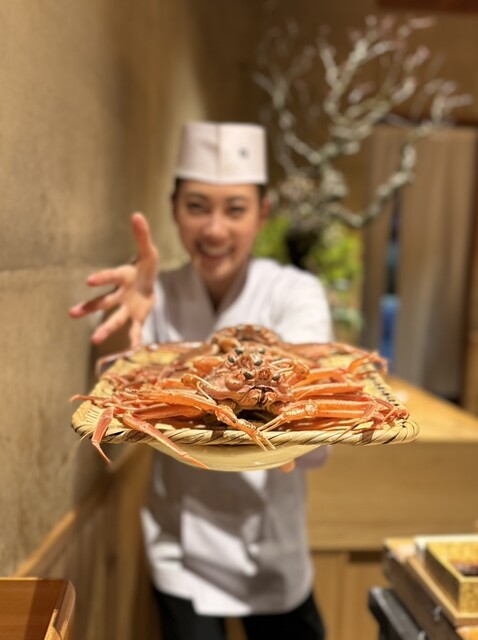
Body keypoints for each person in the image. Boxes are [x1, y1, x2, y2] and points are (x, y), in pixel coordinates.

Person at [70, 122, 333, 640]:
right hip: (180, 546)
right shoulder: (153, 293)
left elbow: (311, 403)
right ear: (173, 209)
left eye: (234, 209)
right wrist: (128, 321)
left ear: (262, 213)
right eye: (197, 206)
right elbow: (117, 392)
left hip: (270, 544)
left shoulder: (294, 292)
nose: (214, 230)